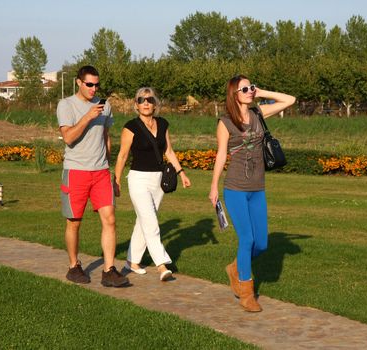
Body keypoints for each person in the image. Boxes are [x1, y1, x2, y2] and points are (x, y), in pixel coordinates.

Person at [209, 75, 295, 312]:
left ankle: (236, 267)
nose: (249, 91)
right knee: (246, 239)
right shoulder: (225, 122)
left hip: (258, 188)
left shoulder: (258, 114)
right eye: (244, 89)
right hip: (235, 188)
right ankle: (247, 293)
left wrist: (261, 91)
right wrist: (214, 186)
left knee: (262, 244)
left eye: (251, 87)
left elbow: (290, 100)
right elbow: (221, 155)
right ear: (233, 94)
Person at [57, 65, 129, 287]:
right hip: (76, 171)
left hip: (100, 173)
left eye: (96, 85)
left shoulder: (105, 106)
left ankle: (108, 270)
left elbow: (106, 136)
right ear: (78, 82)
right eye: (89, 84)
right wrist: (88, 116)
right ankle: (73, 266)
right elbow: (68, 137)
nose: (93, 88)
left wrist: (108, 166)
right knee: (74, 223)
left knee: (110, 219)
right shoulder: (66, 105)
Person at [114, 87, 191, 281]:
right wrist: (116, 179)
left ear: (155, 103)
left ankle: (132, 261)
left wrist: (181, 172)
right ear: (136, 105)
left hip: (158, 180)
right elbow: (123, 155)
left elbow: (169, 151)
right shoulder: (130, 127)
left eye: (149, 99)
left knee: (143, 221)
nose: (146, 103)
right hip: (138, 179)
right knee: (151, 221)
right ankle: (161, 265)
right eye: (141, 100)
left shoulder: (163, 124)